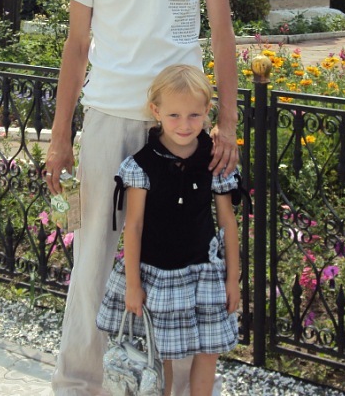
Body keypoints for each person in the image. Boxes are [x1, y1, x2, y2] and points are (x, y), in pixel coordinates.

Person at [43, 0, 242, 396]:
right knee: (94, 257)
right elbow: (76, 46)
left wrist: (227, 125)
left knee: (181, 262)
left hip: (181, 132)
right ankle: (78, 384)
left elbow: (223, 36)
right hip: (110, 120)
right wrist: (60, 137)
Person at [96, 64, 241, 396]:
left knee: (208, 352)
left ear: (207, 111)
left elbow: (227, 222)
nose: (184, 125)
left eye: (194, 115)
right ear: (156, 111)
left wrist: (232, 279)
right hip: (157, 275)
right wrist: (133, 284)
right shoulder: (142, 165)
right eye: (174, 115)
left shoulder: (214, 161)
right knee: (162, 357)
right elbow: (133, 227)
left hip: (205, 273)